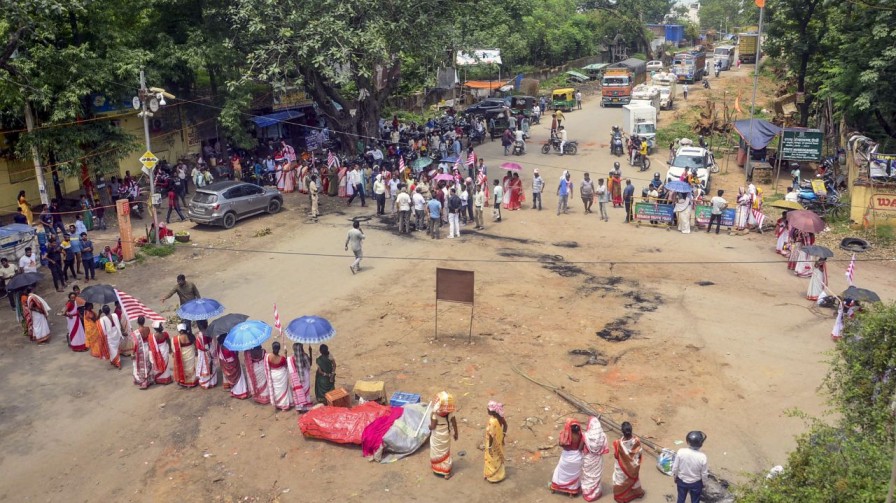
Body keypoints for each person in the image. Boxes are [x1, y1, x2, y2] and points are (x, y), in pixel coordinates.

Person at [612, 421, 646, 502]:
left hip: (621, 468)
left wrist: (624, 460)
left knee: (621, 480)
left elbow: (616, 456)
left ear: (622, 431)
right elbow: (640, 453)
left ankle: (621, 497)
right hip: (633, 467)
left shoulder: (618, 443)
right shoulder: (637, 441)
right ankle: (637, 493)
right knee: (634, 480)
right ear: (631, 430)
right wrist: (633, 463)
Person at [672, 431, 709, 503]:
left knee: (681, 499)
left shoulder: (681, 452)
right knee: (695, 500)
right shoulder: (703, 457)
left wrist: (675, 477)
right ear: (701, 444)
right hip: (696, 483)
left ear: (687, 442)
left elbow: (675, 468)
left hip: (682, 480)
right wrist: (704, 483)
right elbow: (704, 474)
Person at [551, 418, 585, 496]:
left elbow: (561, 445)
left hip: (566, 459)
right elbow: (580, 449)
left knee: (559, 472)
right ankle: (571, 492)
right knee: (573, 476)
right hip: (576, 459)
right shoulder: (581, 436)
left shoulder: (565, 435)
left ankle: (554, 488)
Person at [429, 391, 459, 479]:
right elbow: (454, 422)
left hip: (437, 435)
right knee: (445, 452)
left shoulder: (435, 413)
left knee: (437, 451)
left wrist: (429, 427)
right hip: (445, 434)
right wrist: (456, 433)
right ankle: (446, 472)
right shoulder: (450, 413)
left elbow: (433, 426)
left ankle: (437, 468)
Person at [582, 417, 610, 501]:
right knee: (595, 477)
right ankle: (595, 493)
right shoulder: (603, 436)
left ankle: (587, 492)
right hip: (597, 460)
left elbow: (581, 448)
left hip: (588, 459)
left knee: (588, 476)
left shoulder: (586, 436)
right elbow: (604, 449)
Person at [217, 333, 249, 398]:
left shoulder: (219, 347)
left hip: (226, 364)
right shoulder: (228, 347)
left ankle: (234, 391)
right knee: (239, 378)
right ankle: (241, 392)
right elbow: (234, 355)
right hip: (233, 363)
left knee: (232, 378)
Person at [264, 341, 293, 411]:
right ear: (279, 349)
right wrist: (286, 355)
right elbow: (286, 365)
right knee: (283, 390)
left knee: (276, 390)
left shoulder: (268, 357)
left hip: (273, 375)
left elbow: (267, 367)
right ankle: (284, 405)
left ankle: (277, 404)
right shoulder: (282, 358)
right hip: (281, 375)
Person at [484, 400, 507, 483]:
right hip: (499, 439)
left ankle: (493, 476)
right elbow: (506, 425)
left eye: (488, 409)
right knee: (498, 456)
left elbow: (491, 435)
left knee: (491, 457)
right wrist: (503, 436)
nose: (487, 410)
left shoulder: (492, 421)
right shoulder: (500, 418)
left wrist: (489, 446)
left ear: (492, 411)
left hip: (493, 442)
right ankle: (500, 474)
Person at [289, 342, 314, 411]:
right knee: (306, 391)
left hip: (297, 377)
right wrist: (310, 353)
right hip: (305, 375)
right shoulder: (305, 356)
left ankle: (300, 407)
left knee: (299, 391)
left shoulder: (292, 358)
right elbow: (309, 365)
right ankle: (306, 407)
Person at [131, 317, 154, 389]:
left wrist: (132, 353)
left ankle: (143, 382)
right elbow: (149, 337)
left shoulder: (136, 332)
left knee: (142, 366)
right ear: (144, 322)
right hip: (147, 347)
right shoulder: (147, 328)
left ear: (137, 322)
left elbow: (135, 344)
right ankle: (149, 380)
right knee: (147, 364)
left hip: (141, 350)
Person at [99, 304, 124, 369]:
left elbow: (103, 330)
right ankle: (113, 360)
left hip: (110, 335)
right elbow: (118, 323)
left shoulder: (102, 319)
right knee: (115, 348)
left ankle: (118, 363)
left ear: (103, 312)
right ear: (110, 310)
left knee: (112, 349)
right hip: (116, 333)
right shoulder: (115, 315)